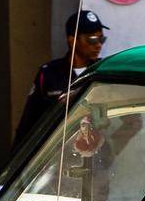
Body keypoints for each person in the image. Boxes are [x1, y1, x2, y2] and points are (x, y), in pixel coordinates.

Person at [12, 9, 109, 148]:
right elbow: (28, 124)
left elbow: (131, 121)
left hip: (95, 154)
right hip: (58, 155)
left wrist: (111, 152)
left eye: (102, 39)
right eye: (92, 39)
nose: (98, 45)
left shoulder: (102, 71)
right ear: (72, 40)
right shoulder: (49, 74)